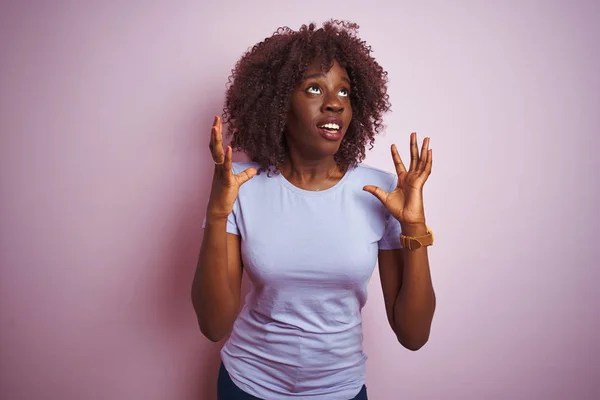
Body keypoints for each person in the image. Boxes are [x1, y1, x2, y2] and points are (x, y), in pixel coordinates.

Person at [192, 20, 436, 400]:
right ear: (277, 103)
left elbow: (414, 335)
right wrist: (217, 213)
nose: (335, 102)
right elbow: (212, 323)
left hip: (340, 391)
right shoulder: (240, 183)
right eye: (314, 88)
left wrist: (415, 226)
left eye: (344, 91)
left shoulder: (383, 191)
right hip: (248, 386)